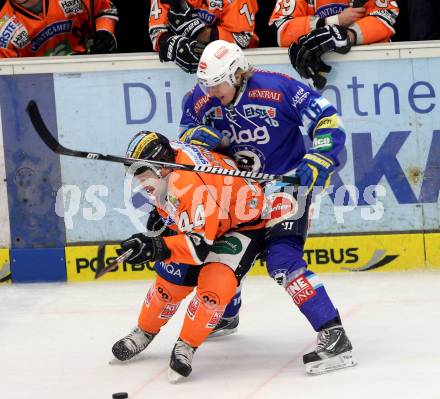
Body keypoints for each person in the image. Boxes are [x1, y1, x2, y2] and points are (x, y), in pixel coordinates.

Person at [178, 39, 356, 374]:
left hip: (286, 186)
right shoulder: (200, 99)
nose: (211, 91)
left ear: (237, 72)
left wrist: (318, 158)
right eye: (206, 84)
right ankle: (226, 314)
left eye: (217, 83)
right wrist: (196, 140)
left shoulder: (279, 88)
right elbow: (186, 138)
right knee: (219, 256)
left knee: (282, 260)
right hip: (237, 192)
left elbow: (329, 121)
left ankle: (334, 335)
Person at [111, 131, 266, 382]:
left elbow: (198, 248)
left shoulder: (190, 185)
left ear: (161, 168)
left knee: (215, 288)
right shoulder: (168, 161)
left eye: (140, 173)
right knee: (169, 285)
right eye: (133, 172)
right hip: (208, 214)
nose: (138, 180)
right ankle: (144, 331)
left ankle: (187, 345)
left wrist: (155, 247)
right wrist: (158, 226)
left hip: (240, 225)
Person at [268, 0, 399, 88]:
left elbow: (385, 17)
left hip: (373, 77)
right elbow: (282, 29)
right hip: (321, 80)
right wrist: (333, 22)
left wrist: (348, 35)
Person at [148, 0, 259, 74]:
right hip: (178, 73)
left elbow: (242, 39)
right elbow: (157, 33)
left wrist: (199, 32)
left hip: (236, 70)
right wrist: (172, 44)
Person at [0, 0, 118, 57]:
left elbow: (104, 9)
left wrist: (105, 32)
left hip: (90, 68)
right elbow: (8, 79)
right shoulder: (4, 28)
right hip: (43, 88)